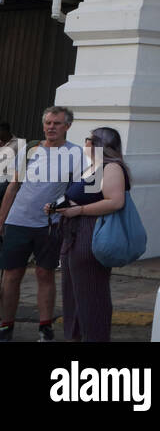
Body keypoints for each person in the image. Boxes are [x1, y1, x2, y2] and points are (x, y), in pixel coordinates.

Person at [0, 106, 84, 342]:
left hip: (50, 225)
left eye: (57, 123)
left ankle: (45, 327)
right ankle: (6, 325)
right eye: (48, 122)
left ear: (67, 126)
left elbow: (77, 191)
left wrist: (64, 209)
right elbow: (13, 187)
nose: (51, 127)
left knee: (44, 274)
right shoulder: (30, 149)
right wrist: (1, 220)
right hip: (18, 220)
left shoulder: (76, 154)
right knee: (11, 275)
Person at [42, 127, 129, 342]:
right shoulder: (94, 168)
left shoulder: (112, 168)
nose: (86, 144)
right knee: (73, 296)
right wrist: (58, 207)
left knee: (92, 296)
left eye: (89, 140)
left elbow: (116, 201)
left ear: (100, 144)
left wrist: (78, 210)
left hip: (90, 234)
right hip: (73, 234)